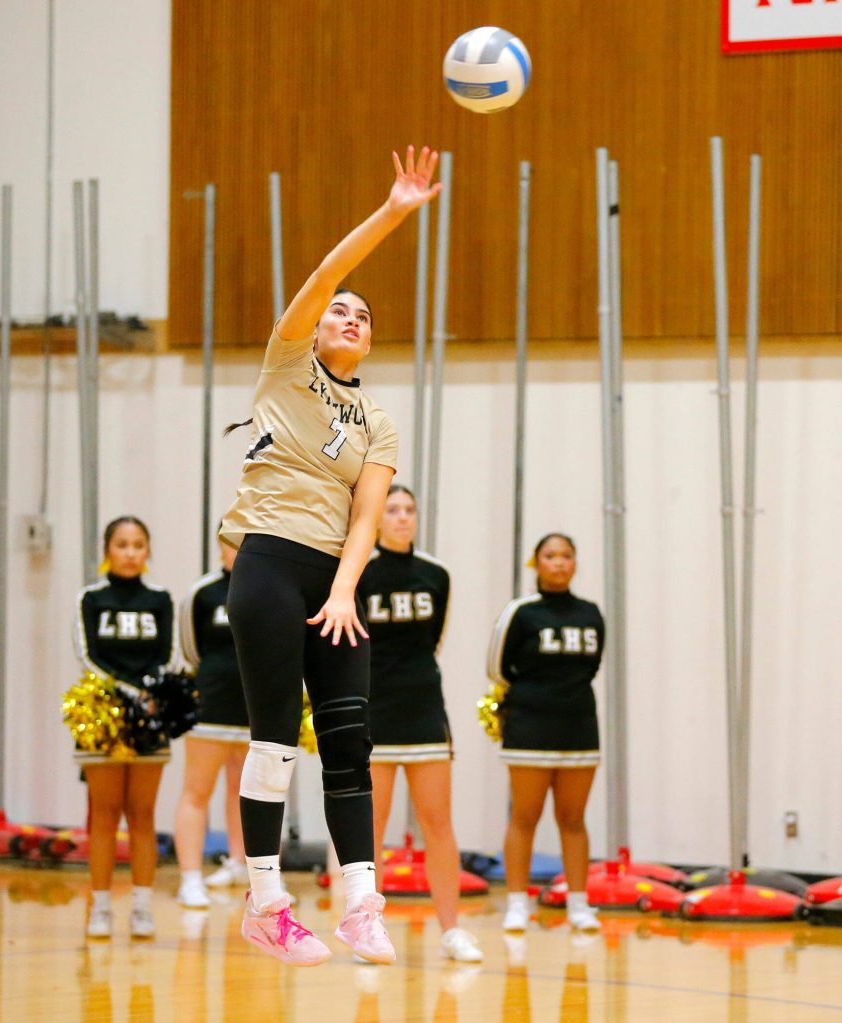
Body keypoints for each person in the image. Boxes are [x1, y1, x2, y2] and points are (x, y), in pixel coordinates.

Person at [219, 145, 442, 966]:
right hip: (270, 563)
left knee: (350, 739)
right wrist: (395, 211)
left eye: (363, 316)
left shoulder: (378, 420)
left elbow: (366, 515)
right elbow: (326, 266)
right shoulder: (286, 365)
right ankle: (266, 899)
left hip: (333, 580)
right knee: (276, 738)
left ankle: (359, 903)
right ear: (313, 325)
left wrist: (348, 588)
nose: (350, 317)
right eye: (339, 311)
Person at [357, 484, 481, 963]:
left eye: (409, 509)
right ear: (377, 516)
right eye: (392, 510)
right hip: (375, 711)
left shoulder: (437, 574)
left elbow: (435, 640)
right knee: (371, 828)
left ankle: (451, 930)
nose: (403, 517)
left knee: (438, 824)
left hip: (425, 710)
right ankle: (368, 929)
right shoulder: (359, 572)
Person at [486, 534, 605, 932]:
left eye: (566, 556)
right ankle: (518, 903)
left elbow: (591, 668)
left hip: (579, 729)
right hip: (529, 729)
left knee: (573, 819)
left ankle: (578, 903)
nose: (559, 563)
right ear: (536, 563)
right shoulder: (522, 612)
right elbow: (497, 668)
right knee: (525, 816)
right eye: (550, 556)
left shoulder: (591, 613)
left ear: (576, 563)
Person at [73, 516, 174, 940]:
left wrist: (147, 694)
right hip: (102, 712)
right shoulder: (90, 599)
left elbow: (167, 654)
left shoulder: (162, 600)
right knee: (104, 814)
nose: (130, 552)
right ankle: (99, 907)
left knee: (143, 814)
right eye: (122, 544)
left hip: (151, 713)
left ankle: (142, 907)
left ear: (148, 551)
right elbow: (88, 655)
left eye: (138, 544)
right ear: (107, 550)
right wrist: (127, 692)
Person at [173, 537, 250, 909]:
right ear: (220, 546)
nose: (240, 547)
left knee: (252, 791)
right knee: (197, 790)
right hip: (211, 709)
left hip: (257, 710)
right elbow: (190, 650)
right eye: (233, 541)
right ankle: (190, 878)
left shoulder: (270, 590)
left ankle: (245, 866)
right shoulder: (202, 594)